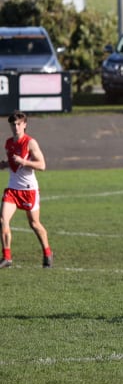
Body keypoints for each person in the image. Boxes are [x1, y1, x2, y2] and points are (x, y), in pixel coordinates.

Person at [0, 110, 53, 268]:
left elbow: (42, 165)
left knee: (35, 224)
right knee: (3, 220)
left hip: (29, 190)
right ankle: (7, 257)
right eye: (13, 124)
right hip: (12, 189)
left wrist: (24, 162)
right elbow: (12, 162)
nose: (15, 127)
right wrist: (4, 164)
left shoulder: (30, 143)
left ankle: (48, 253)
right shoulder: (9, 143)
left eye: (18, 124)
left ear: (24, 125)